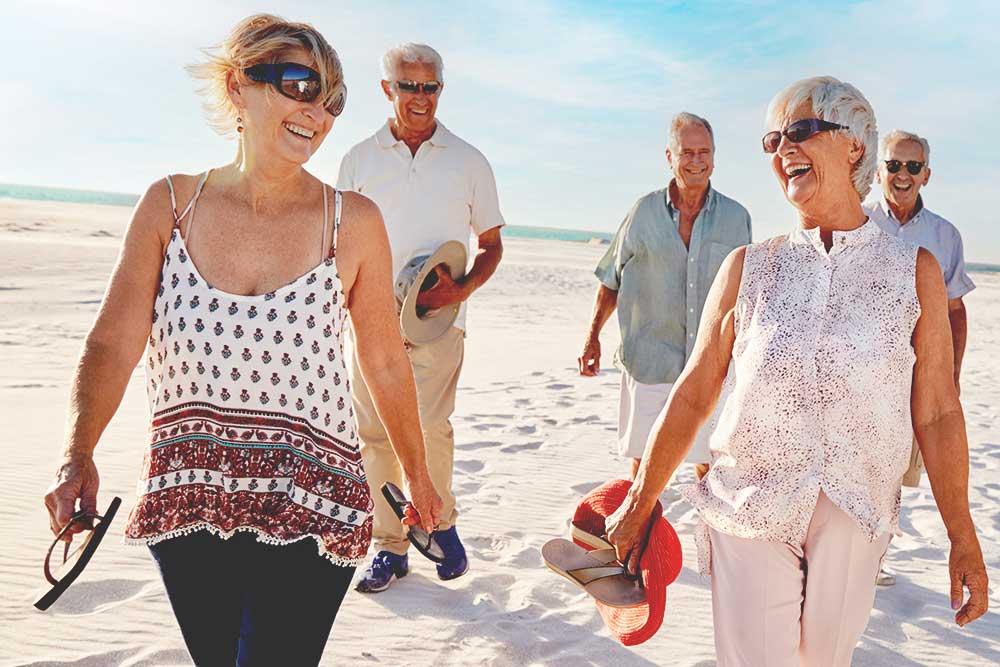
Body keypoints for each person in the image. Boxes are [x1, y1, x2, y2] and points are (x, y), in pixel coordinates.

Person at [42, 14, 441, 666]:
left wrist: (418, 475)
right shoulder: (170, 207)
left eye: (332, 99)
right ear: (237, 86)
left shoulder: (354, 221)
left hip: (313, 493)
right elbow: (113, 342)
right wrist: (76, 452)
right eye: (297, 84)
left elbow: (384, 360)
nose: (316, 111)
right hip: (190, 489)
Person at [605, 76, 989, 666]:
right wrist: (640, 498)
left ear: (855, 146)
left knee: (825, 659)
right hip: (749, 501)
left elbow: (936, 411)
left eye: (802, 131)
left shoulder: (916, 271)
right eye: (772, 138)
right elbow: (692, 395)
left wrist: (963, 535)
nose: (783, 148)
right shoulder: (748, 268)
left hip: (857, 505)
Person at [337, 43, 505, 592]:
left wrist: (458, 290)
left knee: (431, 428)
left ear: (440, 90)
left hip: (437, 323)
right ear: (387, 90)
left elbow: (492, 246)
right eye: (408, 86)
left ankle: (439, 523)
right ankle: (389, 548)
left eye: (429, 86)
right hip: (369, 322)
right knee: (375, 435)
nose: (420, 97)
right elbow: (338, 246)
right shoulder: (359, 159)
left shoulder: (468, 160)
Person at [579, 113, 751, 480]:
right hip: (650, 363)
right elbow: (612, 279)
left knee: (712, 470)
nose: (696, 161)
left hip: (710, 368)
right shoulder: (642, 213)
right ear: (669, 157)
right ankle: (637, 538)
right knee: (644, 472)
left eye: (704, 152)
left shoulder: (737, 219)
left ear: (714, 157)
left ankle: (709, 539)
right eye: (686, 152)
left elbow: (749, 297)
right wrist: (592, 336)